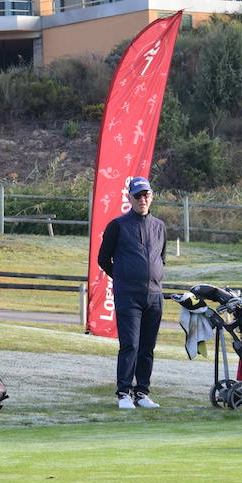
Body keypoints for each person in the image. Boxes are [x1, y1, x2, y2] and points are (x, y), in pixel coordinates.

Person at [97, 176, 167, 410]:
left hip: (154, 295)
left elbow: (161, 258)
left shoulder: (159, 226)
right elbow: (103, 259)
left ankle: (142, 393)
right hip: (128, 295)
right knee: (130, 345)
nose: (142, 199)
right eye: (137, 195)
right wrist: (124, 278)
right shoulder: (118, 225)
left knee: (148, 347)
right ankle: (124, 393)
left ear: (152, 196)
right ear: (130, 198)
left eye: (146, 195)